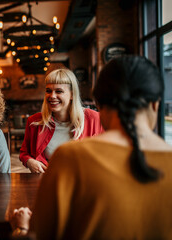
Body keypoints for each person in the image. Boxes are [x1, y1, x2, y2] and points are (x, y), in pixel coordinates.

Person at [10, 56, 172, 239]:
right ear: (155, 105)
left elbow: (40, 236)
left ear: (99, 105)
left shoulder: (69, 157)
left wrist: (20, 229)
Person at [19, 68, 103, 173]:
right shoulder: (34, 121)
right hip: (48, 180)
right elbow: (24, 153)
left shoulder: (95, 119)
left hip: (84, 182)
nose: (52, 96)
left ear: (72, 94)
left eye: (59, 91)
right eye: (48, 91)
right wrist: (30, 161)